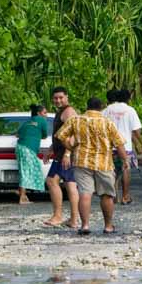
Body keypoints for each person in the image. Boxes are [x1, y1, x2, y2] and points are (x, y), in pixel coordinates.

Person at [55, 96, 129, 235]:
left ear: (87, 106)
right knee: (106, 194)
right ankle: (108, 226)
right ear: (101, 107)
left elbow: (60, 135)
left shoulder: (76, 120)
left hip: (81, 162)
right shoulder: (107, 122)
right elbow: (119, 144)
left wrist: (70, 147)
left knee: (85, 193)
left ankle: (85, 225)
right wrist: (125, 160)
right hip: (104, 163)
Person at [103, 89, 142, 205]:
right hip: (125, 147)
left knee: (113, 172)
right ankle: (125, 196)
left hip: (109, 148)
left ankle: (114, 196)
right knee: (125, 169)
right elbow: (135, 130)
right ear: (128, 98)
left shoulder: (106, 111)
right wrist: (141, 143)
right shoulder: (130, 110)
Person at [45, 88, 80, 228]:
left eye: (61, 97)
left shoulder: (69, 112)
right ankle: (73, 219)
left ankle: (58, 216)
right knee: (69, 183)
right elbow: (59, 135)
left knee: (52, 181)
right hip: (61, 153)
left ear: (67, 97)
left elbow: (73, 133)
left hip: (66, 155)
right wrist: (51, 149)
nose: (58, 100)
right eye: (55, 98)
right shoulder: (61, 112)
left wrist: (67, 153)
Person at [15, 104, 49, 205]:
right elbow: (45, 135)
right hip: (28, 148)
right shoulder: (42, 120)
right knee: (28, 170)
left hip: (20, 147)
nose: (46, 115)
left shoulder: (27, 122)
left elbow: (17, 134)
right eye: (45, 112)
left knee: (24, 170)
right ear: (39, 113)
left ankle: (21, 192)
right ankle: (22, 197)